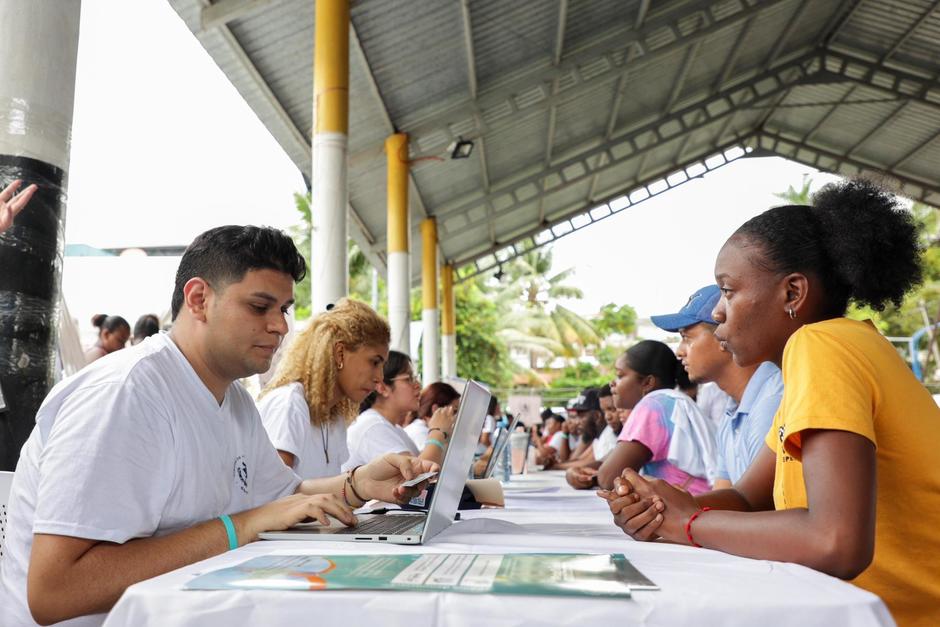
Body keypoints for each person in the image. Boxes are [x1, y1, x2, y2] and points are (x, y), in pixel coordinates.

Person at [0, 225, 436, 627]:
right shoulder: (127, 393)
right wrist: (240, 526)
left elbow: (283, 497)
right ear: (198, 299)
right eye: (259, 306)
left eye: (284, 309)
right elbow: (54, 592)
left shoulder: (236, 401)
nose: (280, 326)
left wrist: (359, 485)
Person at [604, 179, 940, 626]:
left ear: (792, 293)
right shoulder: (827, 355)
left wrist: (685, 524)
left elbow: (835, 541)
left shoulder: (822, 346)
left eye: (728, 290)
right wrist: (664, 506)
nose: (719, 313)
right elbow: (747, 498)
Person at [651, 285, 783, 489]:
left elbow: (760, 506)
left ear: (724, 336)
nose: (679, 352)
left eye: (687, 337)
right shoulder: (732, 412)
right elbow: (728, 496)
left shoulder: (772, 401)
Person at [258, 299, 390, 479]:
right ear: (340, 353)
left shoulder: (334, 416)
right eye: (375, 362)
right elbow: (275, 497)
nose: (380, 377)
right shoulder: (289, 405)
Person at [596, 340, 717, 494]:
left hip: (694, 507)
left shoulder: (654, 404)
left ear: (647, 383)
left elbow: (608, 478)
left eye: (620, 375)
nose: (612, 383)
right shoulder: (671, 402)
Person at [344, 351, 455, 469]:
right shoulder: (372, 426)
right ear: (382, 387)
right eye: (409, 379)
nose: (418, 385)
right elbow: (416, 477)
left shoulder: (394, 428)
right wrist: (437, 431)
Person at [407, 382, 460, 450]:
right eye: (454, 411)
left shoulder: (422, 428)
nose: (456, 417)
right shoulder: (420, 433)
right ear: (436, 409)